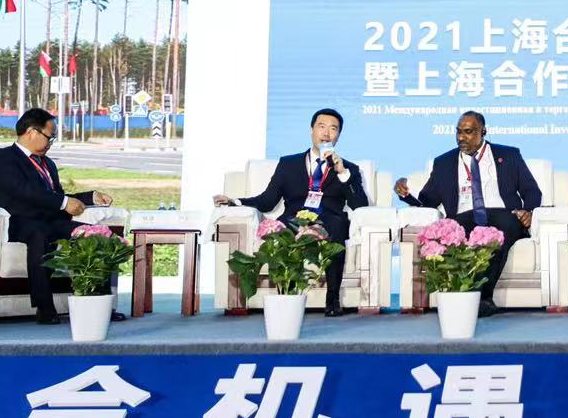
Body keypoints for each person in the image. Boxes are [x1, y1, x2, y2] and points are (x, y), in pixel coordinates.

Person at [214, 108, 368, 317]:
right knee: (282, 231)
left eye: (333, 129)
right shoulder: (288, 163)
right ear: (311, 130)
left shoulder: (349, 169)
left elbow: (360, 206)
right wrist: (235, 202)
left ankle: (332, 300)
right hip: (295, 218)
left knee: (338, 225)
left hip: (329, 220)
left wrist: (342, 173)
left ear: (338, 135)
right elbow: (267, 200)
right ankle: (287, 295)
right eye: (321, 126)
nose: (326, 133)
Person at [394, 111, 541, 317]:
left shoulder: (508, 155)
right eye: (459, 132)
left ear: (483, 131)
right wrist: (406, 195)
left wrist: (530, 212)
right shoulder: (444, 163)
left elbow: (532, 191)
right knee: (452, 231)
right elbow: (427, 203)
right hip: (464, 218)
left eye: (469, 132)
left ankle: (481, 298)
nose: (461, 137)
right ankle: (477, 300)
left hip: (504, 215)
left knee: (499, 230)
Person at [0, 107, 116, 326]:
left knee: (94, 235)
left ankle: (99, 304)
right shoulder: (4, 157)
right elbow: (23, 191)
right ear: (31, 132)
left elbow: (55, 196)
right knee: (39, 235)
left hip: (52, 221)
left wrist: (90, 197)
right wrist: (64, 203)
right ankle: (44, 307)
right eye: (50, 136)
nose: (51, 142)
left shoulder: (48, 164)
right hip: (20, 222)